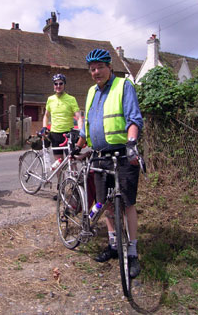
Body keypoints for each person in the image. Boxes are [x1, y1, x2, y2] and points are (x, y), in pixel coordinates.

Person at [72, 48, 143, 278]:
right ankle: (113, 245)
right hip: (100, 155)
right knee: (105, 203)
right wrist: (79, 143)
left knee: (128, 203)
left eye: (100, 67)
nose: (96, 72)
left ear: (109, 67)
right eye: (92, 69)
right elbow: (89, 124)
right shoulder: (92, 91)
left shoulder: (123, 86)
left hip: (123, 154)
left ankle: (132, 252)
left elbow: (134, 119)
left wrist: (132, 143)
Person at [42, 73, 83, 199]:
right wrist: (44, 126)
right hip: (55, 135)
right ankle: (60, 190)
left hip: (68, 135)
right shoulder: (50, 99)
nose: (58, 86)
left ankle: (75, 189)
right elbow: (46, 115)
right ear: (53, 86)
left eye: (61, 83)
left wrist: (81, 131)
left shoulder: (71, 99)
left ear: (64, 85)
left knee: (72, 162)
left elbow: (78, 116)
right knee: (59, 164)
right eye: (56, 84)